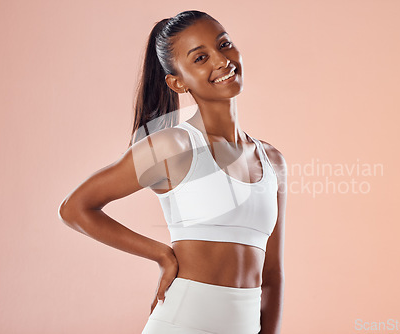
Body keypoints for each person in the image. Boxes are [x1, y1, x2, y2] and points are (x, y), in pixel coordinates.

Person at [58, 10, 287, 334]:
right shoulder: (172, 147)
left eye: (224, 45)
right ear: (177, 82)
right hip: (183, 323)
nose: (221, 61)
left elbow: (273, 275)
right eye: (201, 57)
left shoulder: (272, 160)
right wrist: (162, 255)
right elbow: (74, 208)